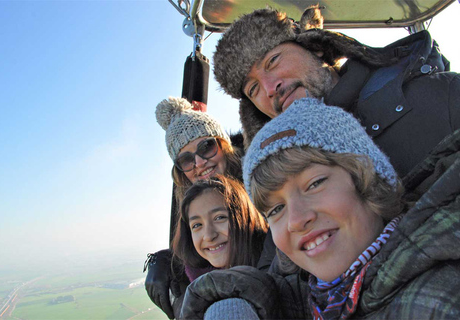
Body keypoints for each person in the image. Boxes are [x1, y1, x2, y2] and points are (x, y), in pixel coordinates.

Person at [179, 98, 460, 319]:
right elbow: (278, 292)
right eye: (276, 209)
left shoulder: (436, 301)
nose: (297, 220)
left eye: (315, 184)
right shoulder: (320, 294)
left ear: (368, 178)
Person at [213, 6, 460, 178]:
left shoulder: (442, 95)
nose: (269, 88)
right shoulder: (283, 179)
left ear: (315, 47)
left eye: (273, 61)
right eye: (253, 88)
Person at [145, 96, 245, 319]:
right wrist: (167, 260)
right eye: (187, 160)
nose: (200, 163)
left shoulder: (260, 184)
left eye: (206, 146)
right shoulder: (190, 208)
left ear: (224, 144)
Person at [170, 175, 268, 318]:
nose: (209, 235)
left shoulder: (274, 266)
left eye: (219, 217)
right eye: (197, 225)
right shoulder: (190, 286)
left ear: (246, 218)